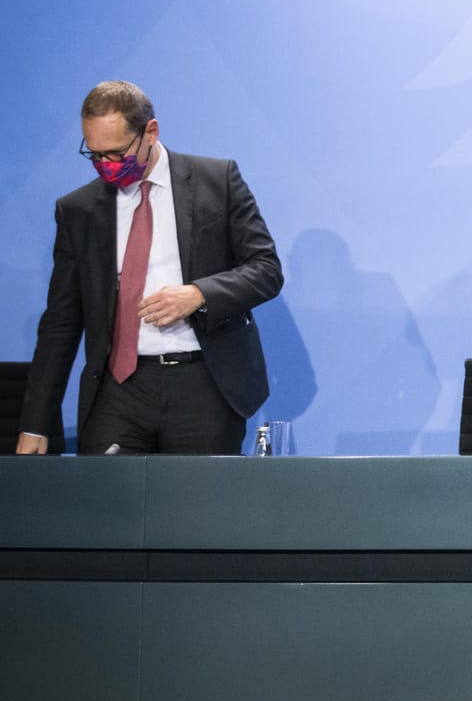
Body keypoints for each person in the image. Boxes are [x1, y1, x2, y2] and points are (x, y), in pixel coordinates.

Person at [17, 81, 283, 454]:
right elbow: (61, 323)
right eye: (94, 155)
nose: (106, 167)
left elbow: (266, 269)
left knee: (197, 511)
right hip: (118, 390)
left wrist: (199, 294)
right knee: (109, 509)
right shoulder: (78, 211)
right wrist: (36, 422)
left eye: (116, 153)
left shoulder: (216, 181)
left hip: (203, 384)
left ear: (151, 132)